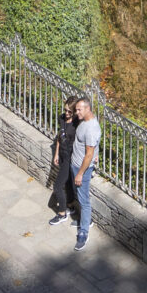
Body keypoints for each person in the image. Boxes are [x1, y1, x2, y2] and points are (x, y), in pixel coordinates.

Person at [46, 97, 82, 227]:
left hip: (70, 158)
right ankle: (70, 205)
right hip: (61, 155)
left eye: (69, 112)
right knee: (67, 184)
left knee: (57, 186)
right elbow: (60, 137)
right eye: (65, 110)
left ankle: (62, 213)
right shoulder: (62, 119)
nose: (66, 114)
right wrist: (56, 153)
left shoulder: (77, 124)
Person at [71, 97, 101, 251]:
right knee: (78, 195)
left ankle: (84, 232)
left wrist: (80, 174)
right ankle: (85, 220)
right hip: (75, 165)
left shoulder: (91, 129)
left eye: (79, 110)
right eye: (76, 110)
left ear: (87, 109)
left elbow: (89, 155)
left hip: (81, 169)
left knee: (84, 200)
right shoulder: (85, 122)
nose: (76, 113)